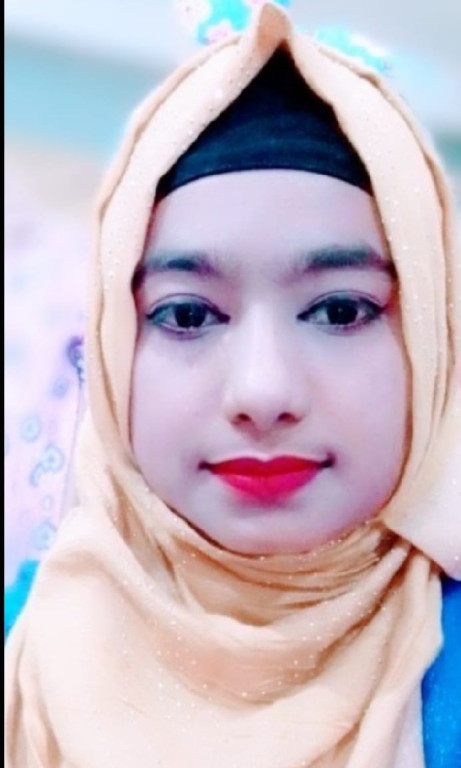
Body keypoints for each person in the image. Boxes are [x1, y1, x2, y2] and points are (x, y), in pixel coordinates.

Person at [5, 3, 460, 766]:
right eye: (186, 315)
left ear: (429, 342)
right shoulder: (26, 639)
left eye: (340, 310)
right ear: (114, 352)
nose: (261, 391)